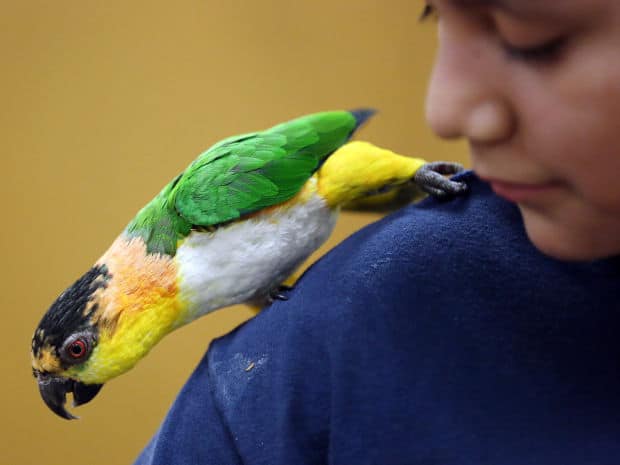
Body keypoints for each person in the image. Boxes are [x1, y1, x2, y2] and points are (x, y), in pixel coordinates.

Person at [135, 1, 620, 463]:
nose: (442, 110)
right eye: (433, 14)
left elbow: (337, 169)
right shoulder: (272, 390)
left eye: (530, 37)